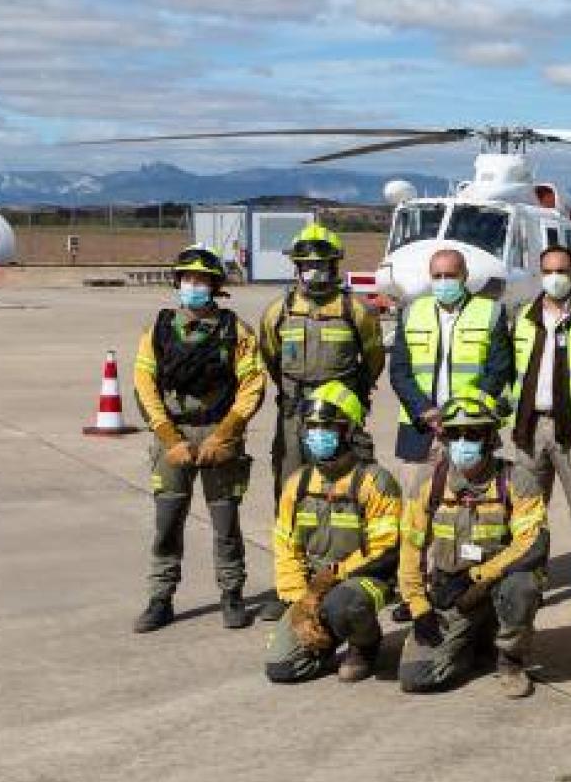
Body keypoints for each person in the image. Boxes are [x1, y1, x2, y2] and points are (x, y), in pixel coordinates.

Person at [131, 246, 265, 633]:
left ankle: (232, 593)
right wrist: (167, 435)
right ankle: (160, 597)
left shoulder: (235, 330)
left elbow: (252, 383)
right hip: (173, 434)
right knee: (168, 520)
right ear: (177, 282)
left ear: (215, 286)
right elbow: (144, 383)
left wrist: (227, 433)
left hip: (219, 433)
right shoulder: (157, 328)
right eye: (188, 279)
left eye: (202, 280)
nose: (194, 286)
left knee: (226, 521)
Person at [255, 223, 385, 620]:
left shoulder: (356, 311)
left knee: (353, 496)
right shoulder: (278, 312)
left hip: (342, 420)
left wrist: (348, 401)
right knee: (291, 498)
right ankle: (290, 586)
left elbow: (373, 359)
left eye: (322, 267)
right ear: (296, 268)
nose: (314, 275)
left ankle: (353, 579)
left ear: (335, 267)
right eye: (306, 267)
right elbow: (271, 359)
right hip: (295, 417)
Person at [397, 392, 548, 697]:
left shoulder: (516, 480)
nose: (462, 442)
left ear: (491, 437)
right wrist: (418, 606)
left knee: (523, 586)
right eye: (454, 434)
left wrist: (478, 575)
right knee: (415, 677)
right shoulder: (430, 483)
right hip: (450, 592)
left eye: (473, 433)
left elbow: (530, 543)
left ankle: (510, 660)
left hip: (496, 587)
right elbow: (411, 549)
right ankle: (471, 642)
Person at [263, 382, 403, 683]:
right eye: (311, 427)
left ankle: (365, 644)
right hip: (313, 588)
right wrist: (300, 602)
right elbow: (287, 546)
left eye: (327, 427)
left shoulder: (375, 482)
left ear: (350, 431)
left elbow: (383, 548)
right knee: (281, 667)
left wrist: (327, 582)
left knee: (344, 605)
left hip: (365, 579)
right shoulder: (298, 484)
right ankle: (325, 643)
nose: (317, 435)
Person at [386, 248, 516, 500]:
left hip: (471, 427)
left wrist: (466, 410)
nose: (443, 281)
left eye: (450, 275)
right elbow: (399, 371)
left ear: (465, 275)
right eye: (437, 276)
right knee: (416, 503)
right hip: (420, 428)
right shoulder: (411, 312)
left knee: (471, 503)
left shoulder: (490, 312)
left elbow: (499, 369)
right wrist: (424, 410)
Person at [508, 243, 571, 554]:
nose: (554, 277)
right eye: (548, 271)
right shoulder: (523, 316)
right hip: (531, 427)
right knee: (528, 514)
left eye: (562, 271)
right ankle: (529, 583)